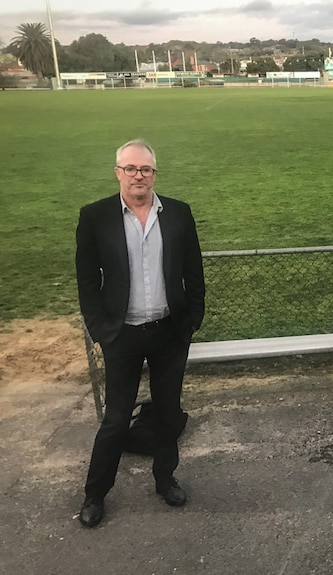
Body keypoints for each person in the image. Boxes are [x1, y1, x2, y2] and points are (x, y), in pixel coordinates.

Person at [75, 139, 205, 527]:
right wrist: (100, 329)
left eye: (145, 169)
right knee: (116, 419)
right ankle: (95, 494)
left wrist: (191, 320)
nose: (138, 176)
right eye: (130, 168)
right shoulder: (95, 216)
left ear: (154, 174)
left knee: (167, 414)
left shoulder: (178, 213)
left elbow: (193, 271)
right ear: (117, 172)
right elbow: (87, 280)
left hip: (169, 332)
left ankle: (165, 480)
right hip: (122, 335)